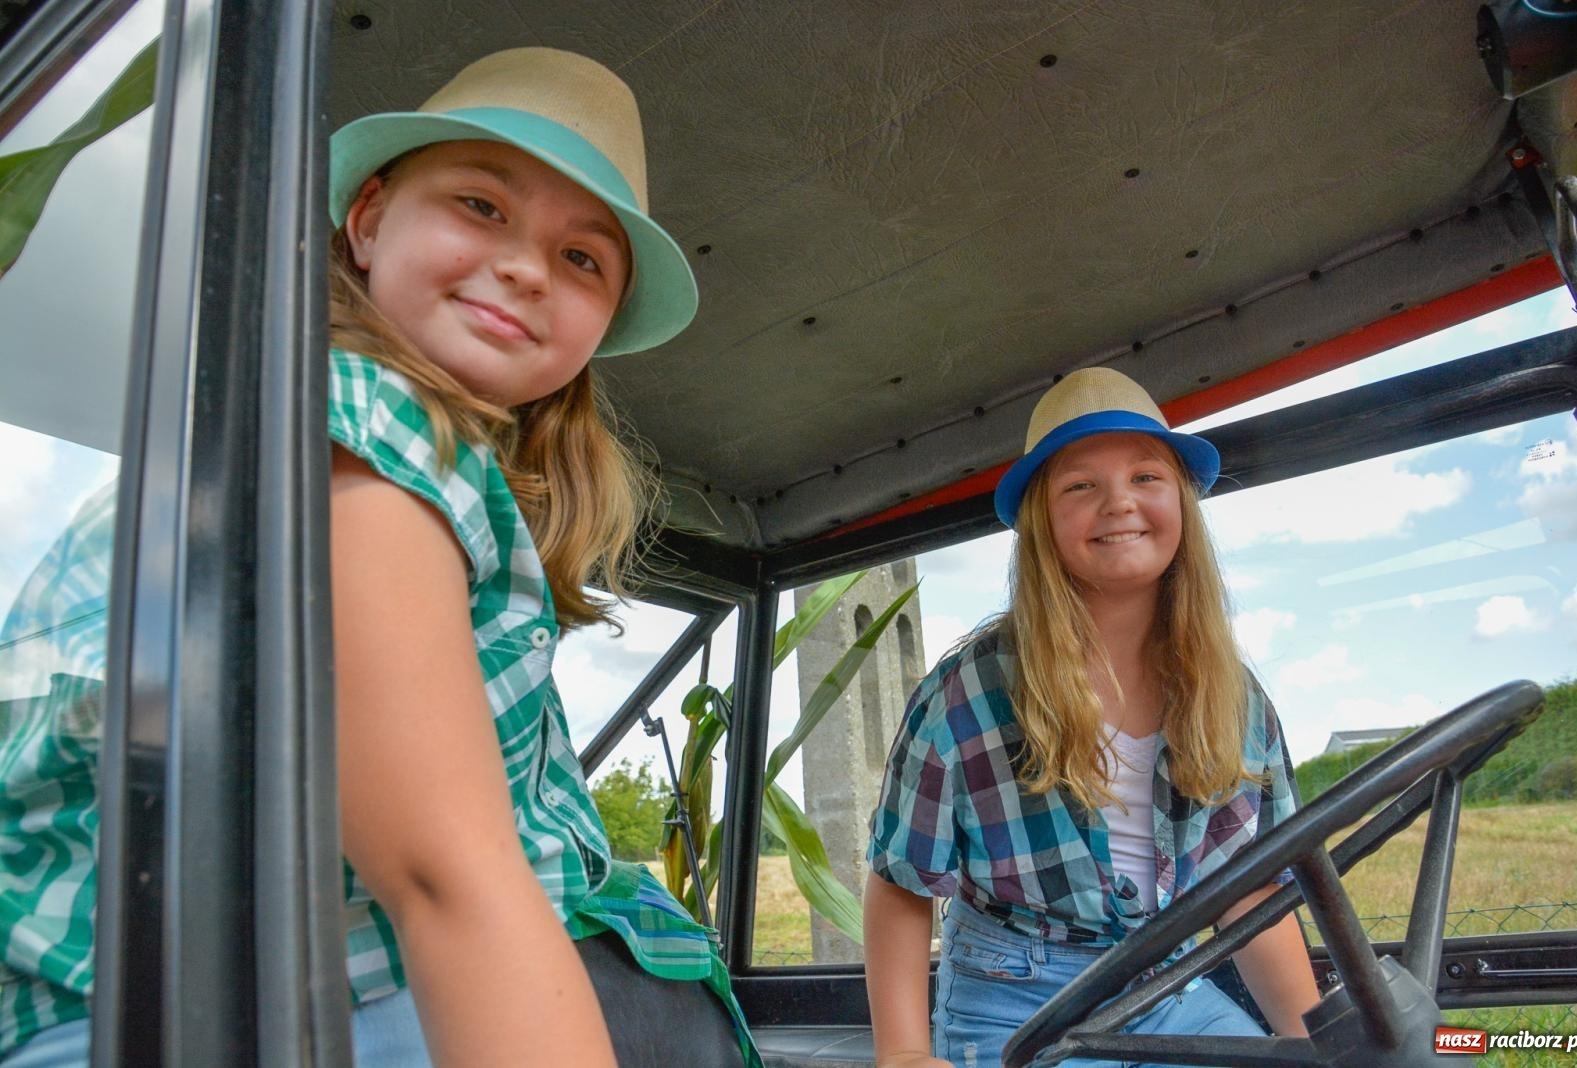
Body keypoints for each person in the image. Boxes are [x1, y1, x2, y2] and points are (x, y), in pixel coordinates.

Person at [0, 47, 759, 1068]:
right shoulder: (358, 410)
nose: (528, 266)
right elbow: (448, 878)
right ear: (366, 222)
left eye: (583, 258)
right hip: (171, 1017)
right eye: (482, 205)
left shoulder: (409, 456)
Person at [862, 367, 1320, 1067]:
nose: (1119, 504)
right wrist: (902, 1053)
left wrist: (1320, 1044)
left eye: (1146, 477)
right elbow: (903, 878)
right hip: (1014, 992)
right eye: (1081, 485)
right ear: (1042, 521)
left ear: (1182, 506)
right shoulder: (968, 692)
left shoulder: (1235, 696)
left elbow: (1250, 887)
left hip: (1167, 982)